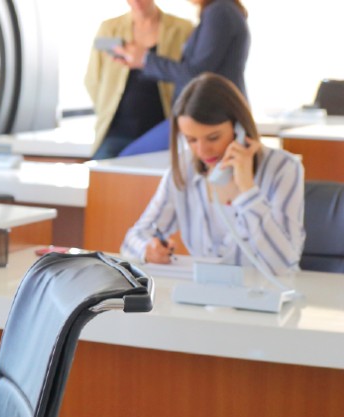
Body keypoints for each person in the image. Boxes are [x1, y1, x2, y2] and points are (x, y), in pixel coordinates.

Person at [121, 73, 304, 275]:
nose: (202, 151)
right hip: (203, 298)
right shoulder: (184, 168)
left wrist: (247, 190)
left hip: (264, 297)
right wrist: (147, 249)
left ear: (239, 128)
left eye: (213, 137)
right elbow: (133, 239)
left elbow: (284, 265)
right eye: (191, 140)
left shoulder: (283, 168)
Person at [114, 0, 250, 156]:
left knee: (130, 157)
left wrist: (145, 59)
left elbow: (197, 74)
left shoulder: (220, 11)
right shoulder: (218, 11)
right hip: (207, 114)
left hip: (209, 115)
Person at [85, 0, 193, 159]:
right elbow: (92, 79)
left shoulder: (183, 29)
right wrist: (104, 108)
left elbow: (190, 76)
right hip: (116, 131)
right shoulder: (109, 28)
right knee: (102, 175)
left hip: (161, 131)